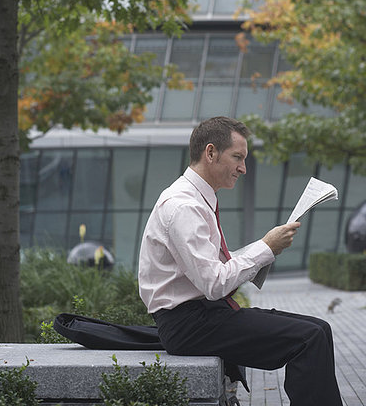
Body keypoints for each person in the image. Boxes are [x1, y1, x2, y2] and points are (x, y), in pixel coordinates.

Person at [138, 116, 343, 406]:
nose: (243, 168)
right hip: (191, 324)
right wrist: (265, 248)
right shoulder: (183, 206)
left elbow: (211, 270)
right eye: (238, 157)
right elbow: (214, 283)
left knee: (320, 330)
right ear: (210, 153)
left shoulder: (196, 199)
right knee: (309, 338)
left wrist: (265, 250)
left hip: (203, 316)